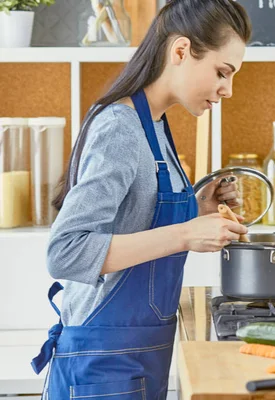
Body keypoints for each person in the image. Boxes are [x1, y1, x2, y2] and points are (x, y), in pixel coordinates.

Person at [31, 1, 252, 398]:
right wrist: (186, 233)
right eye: (222, 72)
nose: (229, 90)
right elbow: (65, 252)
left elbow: (134, 218)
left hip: (133, 360)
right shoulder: (121, 127)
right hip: (102, 365)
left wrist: (197, 209)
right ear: (181, 51)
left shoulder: (154, 124)